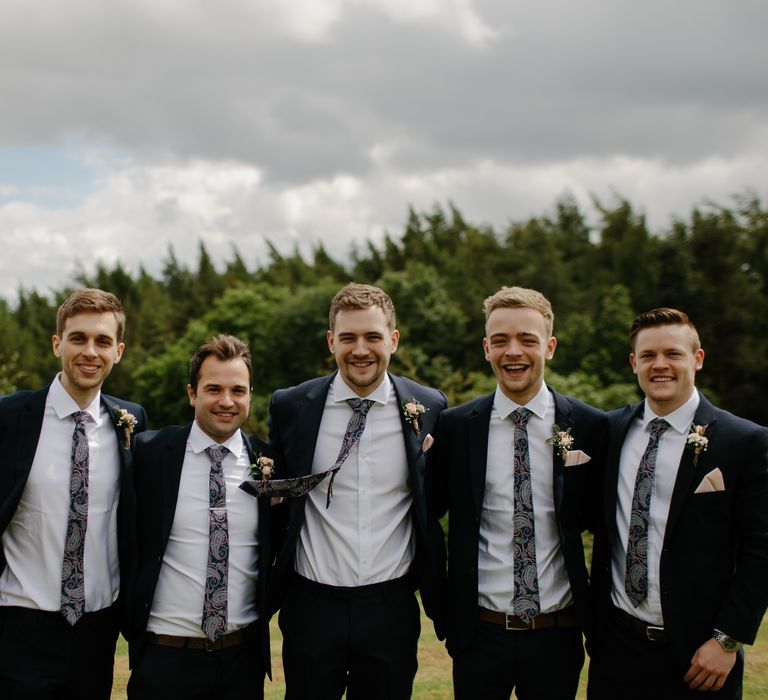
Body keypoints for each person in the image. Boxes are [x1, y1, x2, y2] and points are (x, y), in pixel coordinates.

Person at [268, 282, 447, 700]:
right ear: (332, 341)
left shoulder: (429, 406)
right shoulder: (291, 406)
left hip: (391, 605)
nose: (360, 349)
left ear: (394, 340)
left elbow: (434, 498)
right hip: (312, 605)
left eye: (372, 337)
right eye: (348, 338)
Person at [427, 286, 607, 700]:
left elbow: (606, 526)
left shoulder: (591, 426)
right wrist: (442, 606)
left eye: (527, 339)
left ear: (550, 347)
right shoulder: (456, 427)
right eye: (501, 340)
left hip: (557, 634)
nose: (514, 352)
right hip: (479, 633)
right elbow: (428, 515)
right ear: (486, 348)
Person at [588, 308, 768, 699]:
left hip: (700, 656)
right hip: (616, 649)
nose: (660, 365)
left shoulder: (744, 441)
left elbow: (762, 546)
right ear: (634, 363)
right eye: (649, 356)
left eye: (673, 353)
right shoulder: (611, 430)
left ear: (697, 359)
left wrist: (728, 640)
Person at [0, 287, 147, 699]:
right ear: (56, 344)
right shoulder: (10, 417)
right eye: (78, 338)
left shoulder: (130, 420)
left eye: (102, 341)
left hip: (97, 630)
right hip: (21, 625)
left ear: (118, 351)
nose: (90, 351)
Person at [127, 335, 278, 700]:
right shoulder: (149, 453)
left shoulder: (270, 462)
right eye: (213, 389)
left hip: (242, 663)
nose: (227, 401)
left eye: (238, 390)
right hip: (164, 659)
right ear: (192, 393)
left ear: (250, 394)